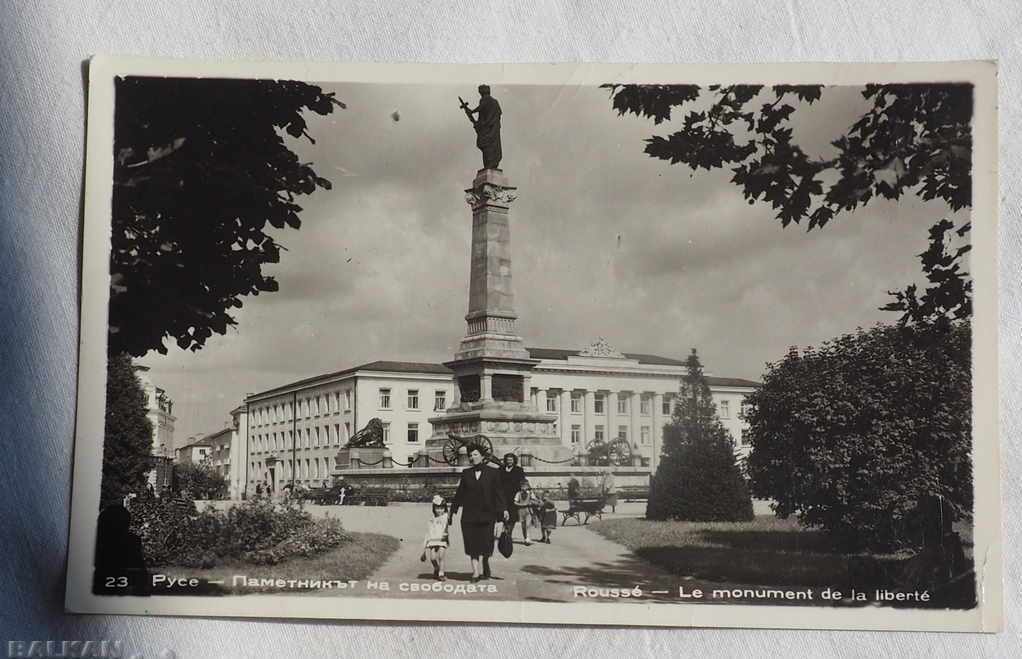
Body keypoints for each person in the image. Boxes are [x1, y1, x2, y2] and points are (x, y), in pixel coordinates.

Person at [450, 444, 508, 582]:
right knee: (472, 544)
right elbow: (460, 494)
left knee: (487, 544)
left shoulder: (493, 473)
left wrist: (503, 509)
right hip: (469, 516)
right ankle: (475, 572)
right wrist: (453, 510)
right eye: (470, 455)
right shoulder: (466, 473)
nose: (472, 457)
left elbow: (498, 493)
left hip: (487, 515)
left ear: (482, 456)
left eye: (475, 454)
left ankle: (486, 561)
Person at [468, 84, 502, 169]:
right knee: (492, 146)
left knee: (486, 146)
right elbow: (499, 113)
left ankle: (489, 165)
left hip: (488, 128)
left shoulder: (485, 99)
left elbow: (481, 108)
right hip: (494, 128)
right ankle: (491, 164)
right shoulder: (495, 101)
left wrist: (472, 112)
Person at [420, 495, 451, 581]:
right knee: (433, 558)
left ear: (444, 509)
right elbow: (428, 531)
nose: (439, 510)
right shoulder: (431, 518)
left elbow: (448, 518)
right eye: (437, 508)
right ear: (434, 509)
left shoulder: (445, 516)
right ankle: (436, 568)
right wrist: (425, 546)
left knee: (441, 556)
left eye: (441, 508)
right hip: (433, 540)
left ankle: (441, 573)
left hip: (442, 539)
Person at [499, 453, 526, 540]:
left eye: (511, 460)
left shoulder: (519, 470)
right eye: (507, 460)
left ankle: (509, 533)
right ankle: (506, 530)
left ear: (514, 460)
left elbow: (523, 482)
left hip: (514, 496)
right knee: (503, 514)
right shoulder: (501, 469)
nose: (509, 461)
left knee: (513, 516)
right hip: (503, 496)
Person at [512, 479, 538, 545]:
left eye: (525, 486)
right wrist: (522, 504)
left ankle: (528, 538)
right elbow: (515, 502)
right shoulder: (518, 493)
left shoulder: (530, 493)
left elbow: (535, 500)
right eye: (522, 486)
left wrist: (531, 502)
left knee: (527, 525)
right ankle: (525, 538)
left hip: (528, 510)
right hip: (521, 511)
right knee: (523, 526)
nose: (524, 487)